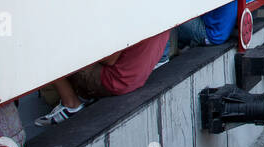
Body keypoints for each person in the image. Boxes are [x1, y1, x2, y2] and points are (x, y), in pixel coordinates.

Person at [34, 30, 172, 125]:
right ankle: (81, 95)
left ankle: (71, 104)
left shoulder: (131, 13)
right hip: (139, 75)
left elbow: (108, 60)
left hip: (115, 81)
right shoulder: (160, 7)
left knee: (49, 49)